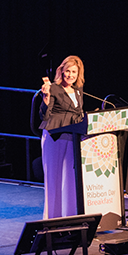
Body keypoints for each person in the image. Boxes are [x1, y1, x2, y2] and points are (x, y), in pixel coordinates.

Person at [38, 55, 86, 219]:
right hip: (54, 137)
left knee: (70, 179)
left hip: (72, 137)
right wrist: (46, 97)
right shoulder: (53, 88)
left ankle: (70, 217)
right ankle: (52, 218)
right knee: (54, 178)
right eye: (67, 71)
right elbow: (45, 115)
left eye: (74, 72)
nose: (70, 75)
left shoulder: (78, 91)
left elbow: (78, 114)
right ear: (61, 71)